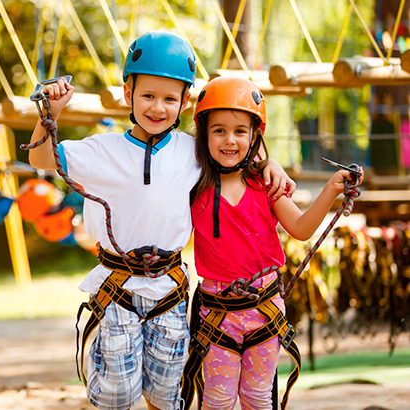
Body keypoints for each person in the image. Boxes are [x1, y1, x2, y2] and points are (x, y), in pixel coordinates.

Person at [27, 31, 294, 410]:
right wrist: (50, 115)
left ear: (185, 102)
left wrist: (270, 164)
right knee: (117, 394)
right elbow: (40, 160)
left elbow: (235, 155)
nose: (158, 107)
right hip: (119, 286)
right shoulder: (103, 151)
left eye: (170, 98)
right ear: (127, 94)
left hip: (168, 289)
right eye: (148, 96)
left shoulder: (192, 151)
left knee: (168, 394)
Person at [181, 76, 364, 410]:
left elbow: (301, 227)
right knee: (217, 401)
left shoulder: (266, 184)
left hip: (264, 313)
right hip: (216, 314)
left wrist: (331, 190)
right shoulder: (192, 186)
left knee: (257, 399)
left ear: (255, 136)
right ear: (203, 133)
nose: (229, 140)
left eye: (240, 131)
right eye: (218, 130)